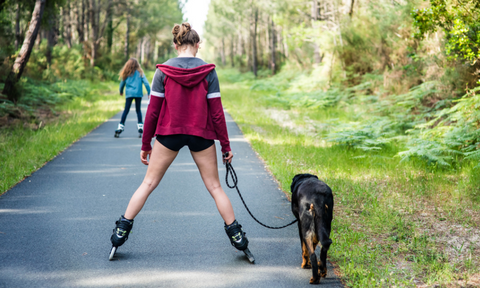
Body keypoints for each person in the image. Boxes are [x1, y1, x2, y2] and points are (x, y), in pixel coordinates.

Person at [109, 23, 250, 256]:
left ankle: (121, 231)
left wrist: (146, 145)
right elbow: (216, 112)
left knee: (148, 184)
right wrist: (225, 146)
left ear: (176, 45)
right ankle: (237, 235)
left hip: (169, 134)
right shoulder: (209, 71)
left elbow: (153, 111)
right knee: (215, 187)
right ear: (197, 45)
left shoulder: (162, 71)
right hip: (201, 135)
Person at [115, 58, 151, 138]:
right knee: (138, 110)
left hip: (129, 94)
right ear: (137, 64)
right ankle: (140, 127)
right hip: (138, 94)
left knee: (126, 110)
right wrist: (149, 92)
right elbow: (146, 83)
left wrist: (121, 91)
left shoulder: (126, 73)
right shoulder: (140, 72)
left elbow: (122, 84)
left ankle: (120, 127)